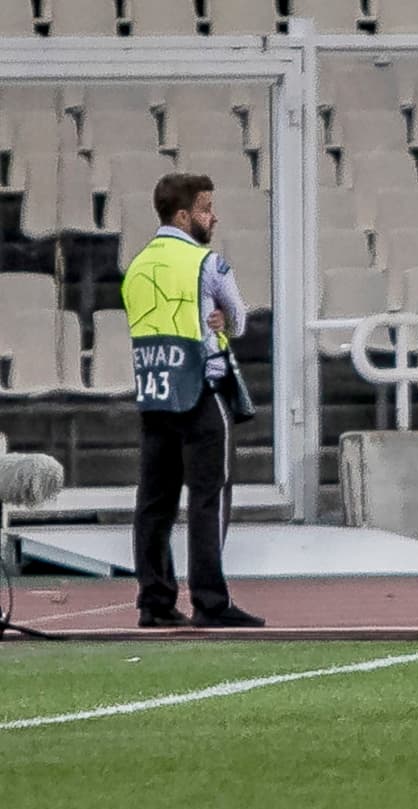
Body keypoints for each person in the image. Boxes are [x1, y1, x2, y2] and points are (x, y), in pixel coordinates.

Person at [123, 172, 264, 629]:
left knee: (154, 502)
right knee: (208, 497)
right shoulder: (208, 263)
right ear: (183, 215)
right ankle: (210, 600)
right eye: (205, 208)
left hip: (155, 390)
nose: (213, 216)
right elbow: (238, 321)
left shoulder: (137, 266)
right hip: (202, 391)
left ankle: (155, 601)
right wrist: (217, 319)